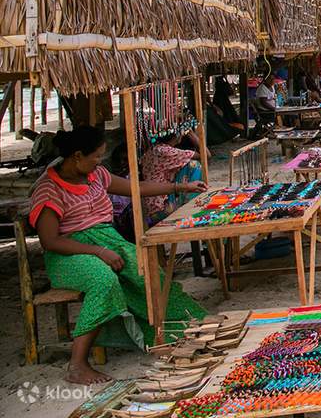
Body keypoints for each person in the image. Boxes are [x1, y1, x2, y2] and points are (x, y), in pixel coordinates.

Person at [30, 125, 208, 383]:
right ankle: (77, 364)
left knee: (145, 271)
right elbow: (50, 241)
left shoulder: (96, 175)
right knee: (103, 281)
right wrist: (98, 251)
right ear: (77, 156)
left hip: (106, 242)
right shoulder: (49, 190)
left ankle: (166, 334)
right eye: (96, 156)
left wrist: (180, 187)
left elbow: (135, 187)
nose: (100, 161)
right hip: (67, 255)